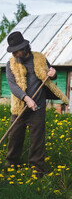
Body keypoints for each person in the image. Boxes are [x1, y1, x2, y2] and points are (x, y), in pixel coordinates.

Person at [5, 31, 69, 177]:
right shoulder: (11, 64)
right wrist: (26, 99)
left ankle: (37, 170)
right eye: (12, 51)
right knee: (14, 137)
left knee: (37, 140)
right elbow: (13, 85)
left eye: (16, 51)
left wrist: (54, 73)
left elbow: (51, 73)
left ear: (25, 48)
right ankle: (11, 165)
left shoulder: (40, 58)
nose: (14, 54)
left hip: (38, 107)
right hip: (19, 107)